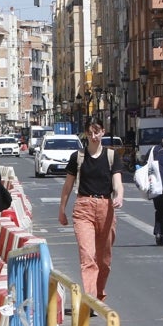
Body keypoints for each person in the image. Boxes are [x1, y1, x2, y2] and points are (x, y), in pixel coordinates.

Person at [58, 117, 124, 301]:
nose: (94, 136)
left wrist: (119, 195)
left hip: (106, 207)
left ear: (103, 131)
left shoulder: (112, 156)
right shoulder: (77, 157)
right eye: (90, 132)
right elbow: (68, 186)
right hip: (83, 207)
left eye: (97, 131)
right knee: (87, 257)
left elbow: (117, 182)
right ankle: (91, 299)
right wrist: (62, 209)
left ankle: (98, 292)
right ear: (86, 133)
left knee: (104, 260)